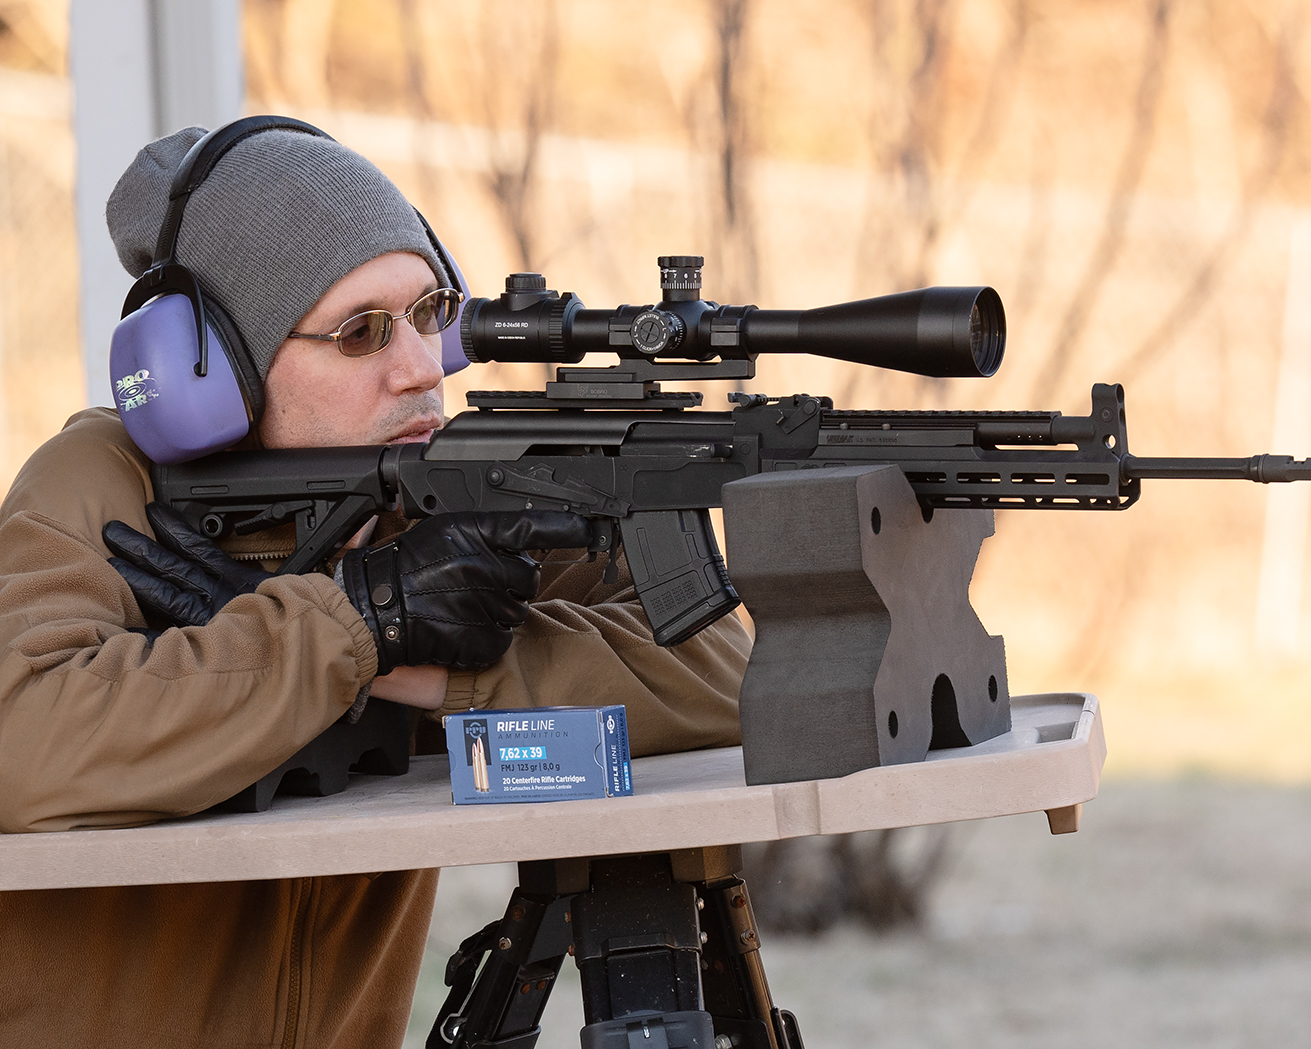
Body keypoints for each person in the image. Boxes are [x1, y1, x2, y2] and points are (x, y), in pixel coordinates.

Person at [0, 120, 751, 1047]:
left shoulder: (439, 498)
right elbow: (22, 743)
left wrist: (417, 666)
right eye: (360, 333)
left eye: (431, 313)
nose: (418, 369)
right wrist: (359, 617)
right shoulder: (105, 483)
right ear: (219, 373)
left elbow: (724, 662)